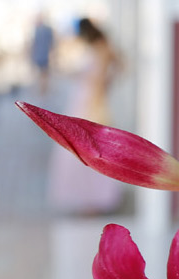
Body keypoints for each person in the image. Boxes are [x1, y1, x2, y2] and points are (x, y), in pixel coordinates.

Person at [47, 18, 124, 214]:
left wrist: (101, 94)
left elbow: (104, 75)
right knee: (79, 148)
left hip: (89, 103)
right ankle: (87, 199)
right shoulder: (99, 47)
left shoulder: (101, 48)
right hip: (83, 99)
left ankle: (94, 200)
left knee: (86, 148)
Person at [30, 13, 53, 96]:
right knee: (44, 74)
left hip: (40, 55)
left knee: (41, 74)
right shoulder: (47, 29)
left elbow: (33, 44)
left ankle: (42, 91)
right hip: (43, 55)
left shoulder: (37, 30)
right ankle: (43, 91)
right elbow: (51, 44)